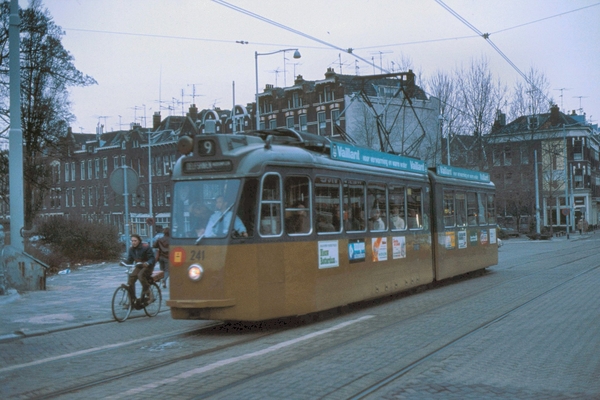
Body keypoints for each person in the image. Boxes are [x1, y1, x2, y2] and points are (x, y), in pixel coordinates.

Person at [126, 234, 156, 305]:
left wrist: (148, 263)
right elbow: (129, 260)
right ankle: (132, 300)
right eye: (132, 241)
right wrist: (123, 262)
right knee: (131, 280)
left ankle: (149, 294)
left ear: (139, 241)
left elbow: (152, 258)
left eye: (135, 241)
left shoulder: (145, 247)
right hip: (139, 266)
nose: (133, 242)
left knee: (140, 275)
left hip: (147, 267)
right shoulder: (131, 249)